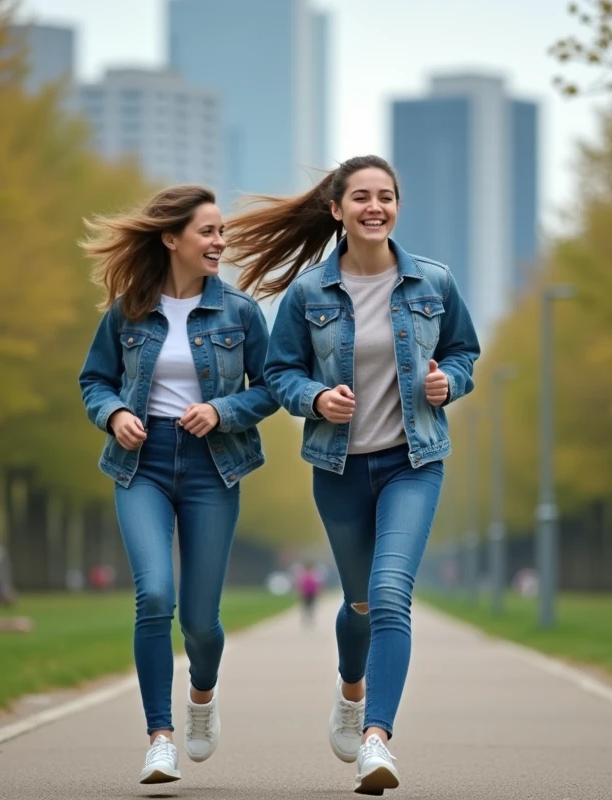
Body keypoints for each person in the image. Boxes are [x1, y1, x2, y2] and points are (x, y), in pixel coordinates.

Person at [225, 155, 480, 795]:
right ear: (337, 210)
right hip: (338, 468)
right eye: (361, 196)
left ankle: (376, 738)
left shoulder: (434, 284)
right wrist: (314, 398)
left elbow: (463, 349)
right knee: (361, 602)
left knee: (392, 594)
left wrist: (453, 380)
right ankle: (350, 690)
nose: (375, 206)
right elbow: (279, 372)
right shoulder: (310, 293)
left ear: (397, 206)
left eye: (386, 196)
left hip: (412, 462)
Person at [78, 184, 278, 786]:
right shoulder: (127, 310)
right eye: (208, 232)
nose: (220, 242)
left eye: (221, 233)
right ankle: (158, 738)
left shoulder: (241, 313)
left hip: (212, 467)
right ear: (172, 239)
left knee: (200, 622)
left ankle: (202, 692)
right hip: (141, 465)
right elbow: (94, 381)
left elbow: (273, 386)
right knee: (154, 597)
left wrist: (222, 410)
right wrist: (114, 414)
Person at [296, 561, 323, 627]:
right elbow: (300, 585)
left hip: (311, 593)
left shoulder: (313, 574)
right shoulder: (304, 575)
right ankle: (306, 618)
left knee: (311, 606)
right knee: (306, 606)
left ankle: (310, 618)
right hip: (306, 593)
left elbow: (317, 585)